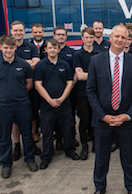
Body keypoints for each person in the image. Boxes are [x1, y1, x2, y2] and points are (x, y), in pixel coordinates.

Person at [86, 24, 132, 194]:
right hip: (103, 120)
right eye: (116, 36)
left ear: (128, 40)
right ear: (110, 38)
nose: (119, 40)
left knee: (128, 156)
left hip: (126, 120)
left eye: (123, 37)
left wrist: (128, 115)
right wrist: (103, 115)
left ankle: (131, 187)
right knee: (101, 157)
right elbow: (91, 90)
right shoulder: (96, 61)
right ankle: (99, 187)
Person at [0, 35, 39, 178]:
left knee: (27, 134)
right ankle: (6, 164)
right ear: (1, 48)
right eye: (6, 48)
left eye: (11, 48)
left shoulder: (24, 65)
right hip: (3, 106)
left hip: (22, 104)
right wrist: (4, 96)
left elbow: (29, 83)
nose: (8, 50)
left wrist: (18, 95)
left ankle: (30, 159)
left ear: (15, 47)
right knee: (4, 137)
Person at [34, 39, 78, 169]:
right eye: (50, 48)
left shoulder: (65, 65)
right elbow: (37, 84)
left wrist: (62, 98)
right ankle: (46, 156)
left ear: (59, 49)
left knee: (67, 129)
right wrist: (49, 100)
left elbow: (70, 83)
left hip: (64, 104)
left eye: (55, 47)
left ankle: (70, 150)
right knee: (47, 132)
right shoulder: (40, 66)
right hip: (47, 106)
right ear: (45, 49)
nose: (52, 50)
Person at [10, 21, 40, 159]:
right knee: (15, 120)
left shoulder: (31, 46)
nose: (18, 33)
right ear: (11, 31)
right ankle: (17, 145)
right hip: (13, 89)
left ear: (24, 31)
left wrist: (17, 62)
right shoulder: (8, 47)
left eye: (20, 30)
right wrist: (27, 63)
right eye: (15, 30)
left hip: (30, 88)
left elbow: (36, 63)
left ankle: (33, 143)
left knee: (32, 116)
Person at [73, 27, 99, 160]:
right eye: (86, 37)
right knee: (84, 120)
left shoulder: (99, 53)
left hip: (97, 93)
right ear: (82, 38)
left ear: (94, 38)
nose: (89, 40)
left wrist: (86, 74)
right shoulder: (77, 55)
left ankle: (95, 144)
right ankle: (84, 146)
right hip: (82, 93)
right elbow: (80, 76)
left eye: (91, 37)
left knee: (96, 119)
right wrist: (96, 75)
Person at [53, 26, 78, 149]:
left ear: (66, 37)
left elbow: (75, 72)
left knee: (70, 115)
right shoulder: (48, 51)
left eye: (63, 34)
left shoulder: (72, 52)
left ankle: (71, 137)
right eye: (58, 34)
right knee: (55, 116)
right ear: (54, 36)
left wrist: (70, 86)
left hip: (70, 90)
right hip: (53, 90)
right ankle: (58, 138)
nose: (60, 37)